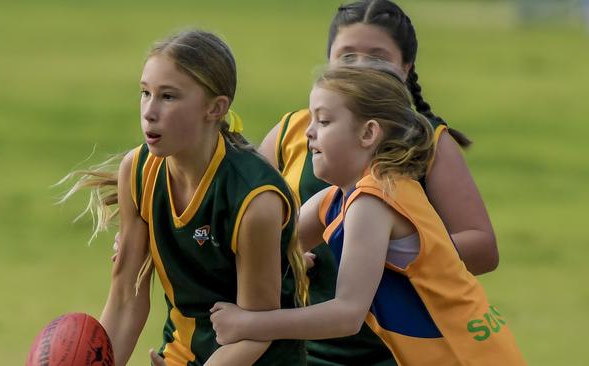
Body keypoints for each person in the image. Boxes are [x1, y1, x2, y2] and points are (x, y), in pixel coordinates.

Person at [210, 65, 526, 366]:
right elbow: (257, 252)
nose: (308, 132)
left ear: (368, 133)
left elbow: (347, 315)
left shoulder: (373, 201)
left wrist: (250, 324)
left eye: (323, 121)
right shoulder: (337, 199)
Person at [256, 1, 498, 364]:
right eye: (347, 56)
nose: (361, 67)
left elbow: (483, 248)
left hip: (398, 351)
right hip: (300, 342)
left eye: (377, 57)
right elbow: (248, 233)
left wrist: (381, 250)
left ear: (405, 68)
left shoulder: (426, 143)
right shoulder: (296, 132)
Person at [62, 29, 308, 366]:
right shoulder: (137, 171)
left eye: (168, 97)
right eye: (144, 93)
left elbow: (256, 331)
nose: (149, 111)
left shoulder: (254, 199)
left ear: (215, 108)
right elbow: (125, 301)